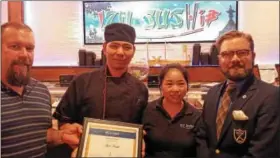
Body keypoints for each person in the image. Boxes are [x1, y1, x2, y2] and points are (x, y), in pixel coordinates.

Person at [53, 23, 149, 157]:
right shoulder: (82, 81)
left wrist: (141, 141)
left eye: (127, 47)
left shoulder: (140, 88)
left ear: (133, 51)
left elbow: (142, 128)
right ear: (104, 48)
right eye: (114, 46)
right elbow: (63, 119)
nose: (120, 52)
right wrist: (68, 131)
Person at [1, 22, 81, 158]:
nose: (24, 54)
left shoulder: (41, 91)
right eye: (15, 46)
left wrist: (63, 136)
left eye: (30, 48)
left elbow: (41, 135)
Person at [200, 30, 280, 158]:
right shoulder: (212, 93)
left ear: (253, 56)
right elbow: (202, 136)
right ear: (219, 59)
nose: (235, 59)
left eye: (242, 53)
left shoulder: (271, 96)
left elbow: (263, 152)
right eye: (227, 54)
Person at [142, 63, 208, 158]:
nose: (175, 89)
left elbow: (201, 150)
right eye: (169, 84)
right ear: (160, 86)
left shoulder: (196, 116)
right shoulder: (147, 110)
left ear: (187, 87)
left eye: (181, 84)